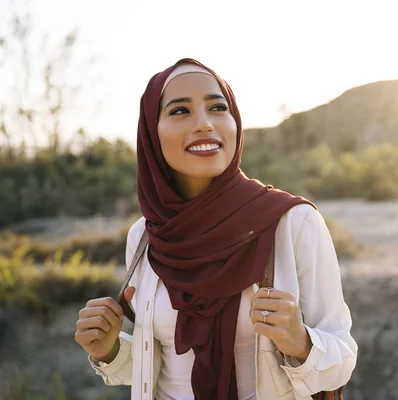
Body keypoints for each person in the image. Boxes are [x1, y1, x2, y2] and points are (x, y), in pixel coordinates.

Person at [74, 58, 357, 400]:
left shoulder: (292, 222)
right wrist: (109, 349)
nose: (204, 124)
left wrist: (299, 341)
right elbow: (159, 365)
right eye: (180, 111)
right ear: (152, 132)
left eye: (218, 107)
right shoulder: (146, 236)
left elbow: (341, 357)